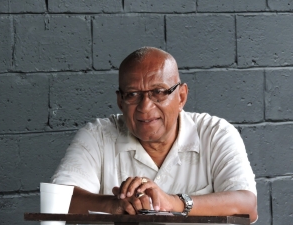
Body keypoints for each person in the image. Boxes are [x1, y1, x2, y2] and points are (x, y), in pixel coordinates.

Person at [51, 47, 258, 222]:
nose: (145, 107)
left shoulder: (215, 134)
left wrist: (173, 202)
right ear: (120, 102)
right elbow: (57, 200)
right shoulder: (98, 136)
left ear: (181, 96)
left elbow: (247, 206)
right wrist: (115, 205)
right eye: (132, 95)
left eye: (159, 92)